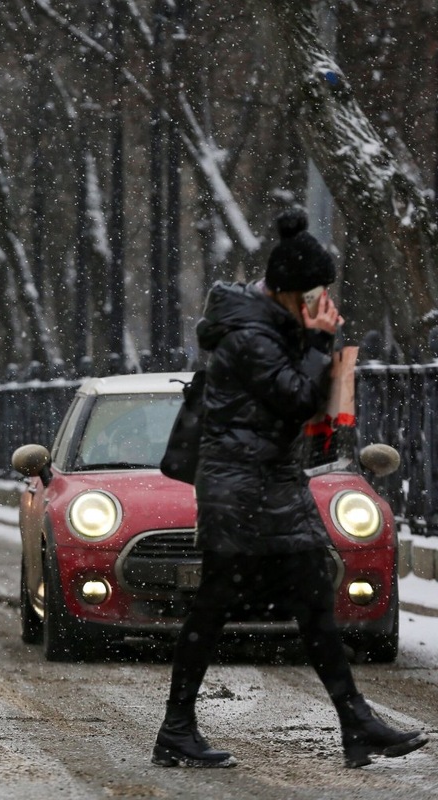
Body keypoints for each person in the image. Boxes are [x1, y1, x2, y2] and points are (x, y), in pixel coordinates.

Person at [152, 209, 428, 770]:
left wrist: (314, 345)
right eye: (312, 294)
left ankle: (355, 724)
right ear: (287, 292)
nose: (318, 303)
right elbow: (295, 398)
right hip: (241, 491)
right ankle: (176, 729)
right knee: (213, 608)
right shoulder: (249, 337)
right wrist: (321, 343)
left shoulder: (267, 329)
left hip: (268, 485)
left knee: (311, 603)